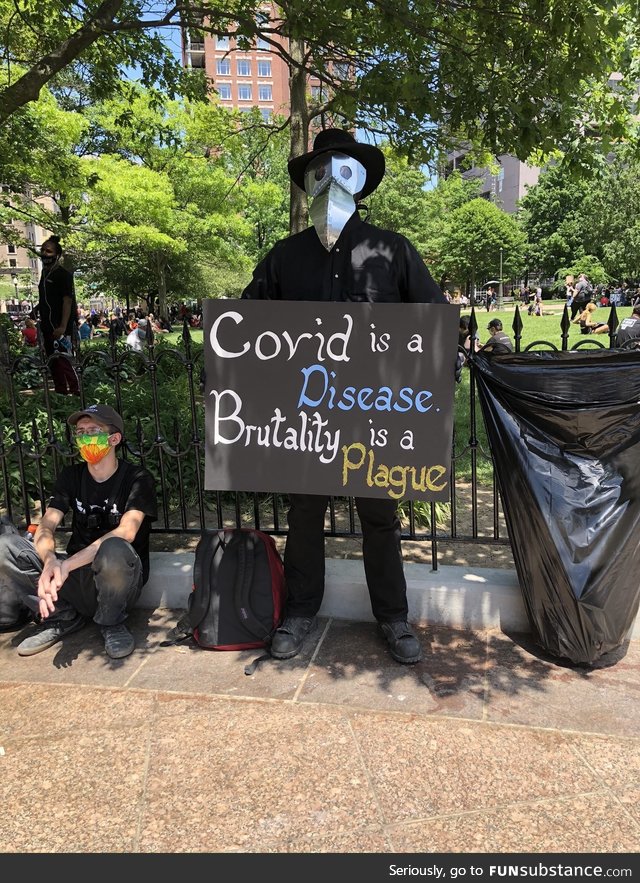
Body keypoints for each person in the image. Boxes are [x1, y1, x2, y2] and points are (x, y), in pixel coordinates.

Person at [241, 127, 460, 666]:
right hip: (308, 417)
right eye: (319, 169)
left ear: (357, 179)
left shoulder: (394, 250)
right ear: (309, 182)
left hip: (374, 417)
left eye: (339, 168)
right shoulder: (284, 257)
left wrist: (433, 381)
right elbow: (246, 326)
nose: (328, 179)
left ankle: (393, 618)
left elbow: (433, 319)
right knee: (304, 514)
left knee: (380, 518)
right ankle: (299, 612)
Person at [0, 404, 158, 659]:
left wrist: (67, 564)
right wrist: (51, 561)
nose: (85, 438)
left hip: (118, 581)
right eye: (80, 432)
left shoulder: (137, 478)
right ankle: (62, 617)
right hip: (74, 577)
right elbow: (47, 524)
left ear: (114, 438)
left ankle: (112, 622)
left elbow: (127, 531)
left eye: (93, 430)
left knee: (114, 548)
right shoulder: (71, 476)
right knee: (5, 546)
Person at [35, 235, 80, 395]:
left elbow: (67, 301)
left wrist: (62, 326)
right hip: (47, 326)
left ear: (57, 255)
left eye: (49, 251)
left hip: (61, 328)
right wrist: (34, 313)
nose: (45, 254)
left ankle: (75, 391)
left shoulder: (63, 275)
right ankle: (61, 392)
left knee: (65, 360)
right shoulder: (44, 274)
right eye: (43, 250)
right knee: (52, 361)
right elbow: (45, 300)